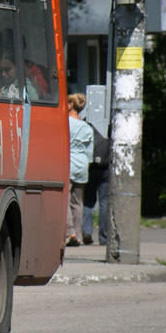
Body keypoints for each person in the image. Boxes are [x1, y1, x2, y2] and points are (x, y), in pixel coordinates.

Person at [67, 93, 94, 248]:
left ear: (71, 105)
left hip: (68, 162)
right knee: (77, 202)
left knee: (64, 200)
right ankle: (77, 235)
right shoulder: (87, 128)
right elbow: (90, 154)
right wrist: (85, 167)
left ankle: (69, 232)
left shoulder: (65, 123)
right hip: (82, 165)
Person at [82, 115, 110, 245]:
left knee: (88, 201)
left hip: (91, 168)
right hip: (106, 169)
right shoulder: (110, 125)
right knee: (104, 202)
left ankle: (86, 231)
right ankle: (103, 237)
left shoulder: (87, 126)